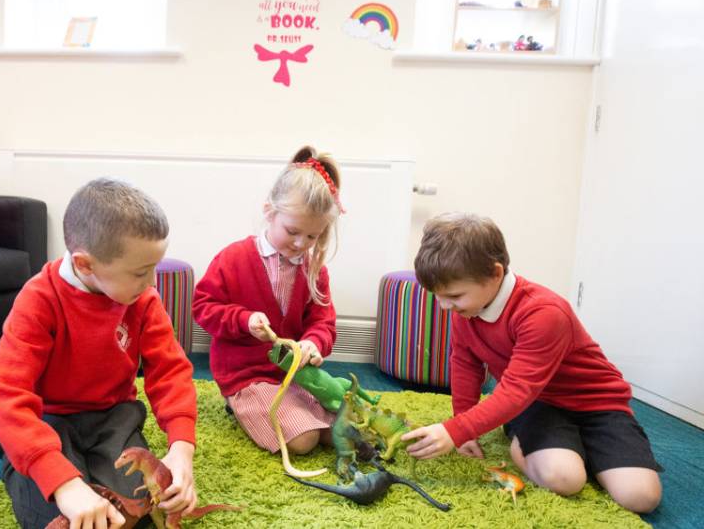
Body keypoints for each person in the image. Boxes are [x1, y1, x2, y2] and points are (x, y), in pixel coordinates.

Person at [401, 212, 662, 513]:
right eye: (437, 296)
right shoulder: (467, 312)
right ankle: (552, 448)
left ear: (495, 274)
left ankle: (573, 449)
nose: (445, 306)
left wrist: (453, 430)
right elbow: (465, 365)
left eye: (454, 296)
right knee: (565, 479)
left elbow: (517, 389)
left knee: (641, 497)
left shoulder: (544, 312)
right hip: (538, 405)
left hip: (598, 407)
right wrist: (465, 426)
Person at [0, 178, 198, 529]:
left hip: (112, 418)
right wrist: (64, 485)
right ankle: (17, 456)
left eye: (153, 271)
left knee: (137, 515)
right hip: (48, 420)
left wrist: (181, 450)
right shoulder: (38, 300)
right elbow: (8, 396)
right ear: (85, 265)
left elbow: (170, 371)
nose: (151, 284)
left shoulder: (143, 299)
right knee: (67, 519)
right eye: (140, 273)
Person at [192, 145, 344, 456]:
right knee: (305, 441)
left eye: (312, 237)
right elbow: (202, 307)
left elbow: (323, 320)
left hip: (293, 374)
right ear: (269, 212)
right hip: (246, 375)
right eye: (292, 231)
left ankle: (294, 408)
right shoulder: (233, 258)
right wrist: (243, 320)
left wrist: (314, 343)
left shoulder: (314, 268)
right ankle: (238, 404)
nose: (301, 244)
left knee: (339, 431)